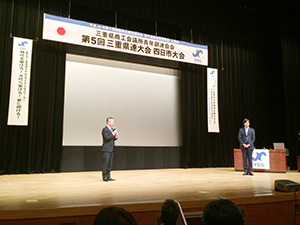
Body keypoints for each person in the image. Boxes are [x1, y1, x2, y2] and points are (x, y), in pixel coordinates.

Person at [101, 117, 118, 182]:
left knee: (110, 163)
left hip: (111, 149)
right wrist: (113, 134)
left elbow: (111, 139)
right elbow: (106, 138)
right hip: (106, 149)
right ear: (108, 122)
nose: (113, 123)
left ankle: (108, 176)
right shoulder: (105, 129)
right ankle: (104, 176)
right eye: (112, 122)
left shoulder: (111, 129)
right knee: (106, 163)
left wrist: (115, 137)